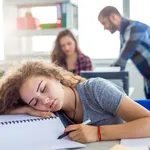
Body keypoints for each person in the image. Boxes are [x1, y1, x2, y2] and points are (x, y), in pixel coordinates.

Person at [0, 59, 150, 143]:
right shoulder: (50, 113)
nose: (44, 101)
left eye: (44, 88)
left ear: (55, 76)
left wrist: (98, 133)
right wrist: (26, 109)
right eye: (34, 101)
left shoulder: (95, 89)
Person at [98, 6, 150, 99]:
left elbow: (121, 61)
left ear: (113, 17)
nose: (104, 28)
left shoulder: (135, 28)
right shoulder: (124, 34)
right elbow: (120, 67)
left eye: (104, 23)